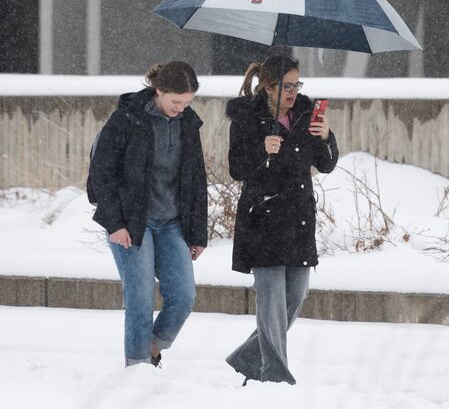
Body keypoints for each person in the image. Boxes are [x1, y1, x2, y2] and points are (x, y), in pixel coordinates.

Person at [225, 55, 338, 385]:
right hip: (263, 218)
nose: (293, 92)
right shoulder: (248, 117)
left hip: (299, 220)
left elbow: (326, 164)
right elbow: (236, 168)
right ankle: (275, 377)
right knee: (271, 304)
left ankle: (249, 357)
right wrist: (262, 149)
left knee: (295, 296)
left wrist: (326, 136)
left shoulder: (306, 113)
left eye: (296, 84)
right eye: (287, 86)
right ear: (269, 87)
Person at [88, 61, 208, 367]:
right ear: (158, 90)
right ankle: (138, 368)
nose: (181, 108)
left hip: (172, 225)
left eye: (187, 102)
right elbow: (101, 173)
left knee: (183, 297)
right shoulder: (127, 119)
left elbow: (195, 180)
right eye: (175, 102)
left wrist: (197, 234)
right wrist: (114, 223)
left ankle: (151, 347)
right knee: (140, 302)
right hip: (132, 224)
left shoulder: (189, 123)